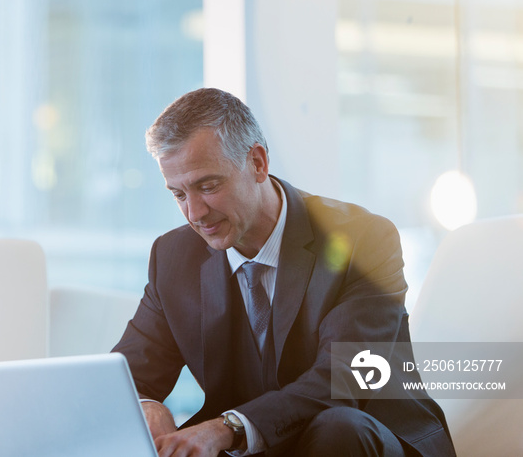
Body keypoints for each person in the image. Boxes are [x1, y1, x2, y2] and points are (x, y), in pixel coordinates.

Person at [112, 88, 456, 457]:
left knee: (339, 426)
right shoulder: (174, 257)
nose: (195, 213)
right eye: (178, 195)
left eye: (207, 186)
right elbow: (125, 378)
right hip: (257, 448)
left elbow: (344, 379)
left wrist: (227, 428)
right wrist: (145, 405)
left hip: (361, 439)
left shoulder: (362, 240)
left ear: (258, 163)